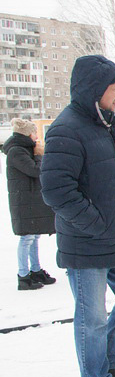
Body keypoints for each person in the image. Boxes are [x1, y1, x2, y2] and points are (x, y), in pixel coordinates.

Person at [40, 55, 115, 377]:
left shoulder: (104, 125)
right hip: (87, 242)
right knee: (93, 316)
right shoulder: (66, 128)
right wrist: (96, 224)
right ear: (94, 90)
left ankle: (108, 359)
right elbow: (57, 190)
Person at [2, 118, 57, 290]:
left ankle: (35, 270)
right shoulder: (16, 151)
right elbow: (35, 170)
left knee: (34, 236)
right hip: (24, 202)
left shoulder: (24, 149)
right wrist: (40, 155)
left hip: (31, 200)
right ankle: (23, 275)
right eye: (34, 132)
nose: (36, 136)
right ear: (27, 134)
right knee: (27, 238)